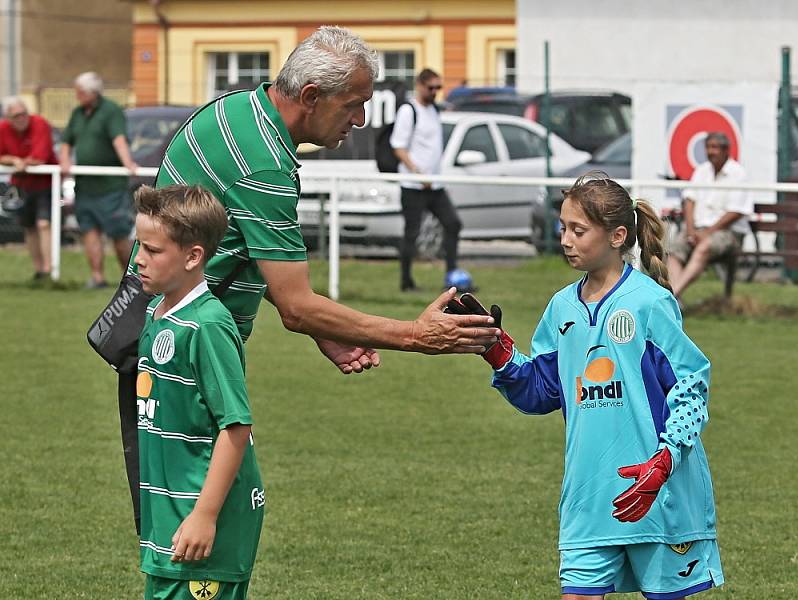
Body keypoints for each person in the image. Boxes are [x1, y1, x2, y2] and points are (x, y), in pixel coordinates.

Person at [118, 26, 499, 534]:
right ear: (312, 97)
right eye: (353, 105)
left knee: (190, 532)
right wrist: (417, 335)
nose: (360, 119)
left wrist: (326, 327)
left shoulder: (238, 112)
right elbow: (295, 304)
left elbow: (242, 255)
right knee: (199, 534)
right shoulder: (264, 161)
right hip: (185, 358)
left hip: (168, 344)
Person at [451, 174, 724, 599]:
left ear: (617, 235)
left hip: (655, 496)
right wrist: (496, 350)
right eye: (563, 227)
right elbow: (542, 390)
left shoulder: (650, 302)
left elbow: (690, 386)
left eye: (578, 230)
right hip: (588, 498)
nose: (565, 239)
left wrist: (664, 462)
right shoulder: (561, 306)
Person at [133, 184, 263, 599]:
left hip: (204, 520)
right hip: (169, 516)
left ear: (193, 256)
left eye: (153, 250)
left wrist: (204, 515)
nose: (139, 259)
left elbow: (236, 427)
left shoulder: (207, 326)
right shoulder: (158, 311)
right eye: (139, 246)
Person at [60, 71, 139, 288]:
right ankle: (97, 277)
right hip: (85, 186)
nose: (78, 96)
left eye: (81, 92)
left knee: (119, 234)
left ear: (93, 93)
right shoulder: (77, 113)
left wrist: (128, 163)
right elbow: (67, 141)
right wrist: (65, 161)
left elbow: (119, 139)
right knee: (89, 230)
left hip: (110, 187)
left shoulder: (111, 111)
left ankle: (132, 280)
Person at [390, 68, 463, 292]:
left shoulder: (433, 110)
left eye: (438, 88)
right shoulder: (408, 110)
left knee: (453, 224)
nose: (435, 92)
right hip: (413, 186)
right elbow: (398, 146)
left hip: (435, 185)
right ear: (420, 86)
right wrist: (417, 173)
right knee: (412, 233)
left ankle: (452, 278)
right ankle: (406, 282)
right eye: (431, 88)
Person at [667, 132, 752, 299]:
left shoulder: (739, 174)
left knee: (703, 248)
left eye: (714, 147)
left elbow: (736, 212)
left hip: (728, 233)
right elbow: (689, 200)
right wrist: (691, 230)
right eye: (708, 147)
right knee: (674, 251)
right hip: (697, 229)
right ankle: (675, 298)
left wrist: (707, 232)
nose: (710, 151)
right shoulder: (702, 171)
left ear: (726, 150)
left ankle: (672, 296)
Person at [0, 96, 58, 279]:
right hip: (22, 185)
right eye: (16, 116)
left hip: (45, 183)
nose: (21, 118)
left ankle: (50, 270)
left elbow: (40, 156)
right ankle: (39, 270)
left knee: (43, 224)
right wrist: (14, 161)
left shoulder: (40, 124)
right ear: (8, 117)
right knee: (28, 226)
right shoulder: (3, 129)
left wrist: (22, 163)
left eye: (24, 113)